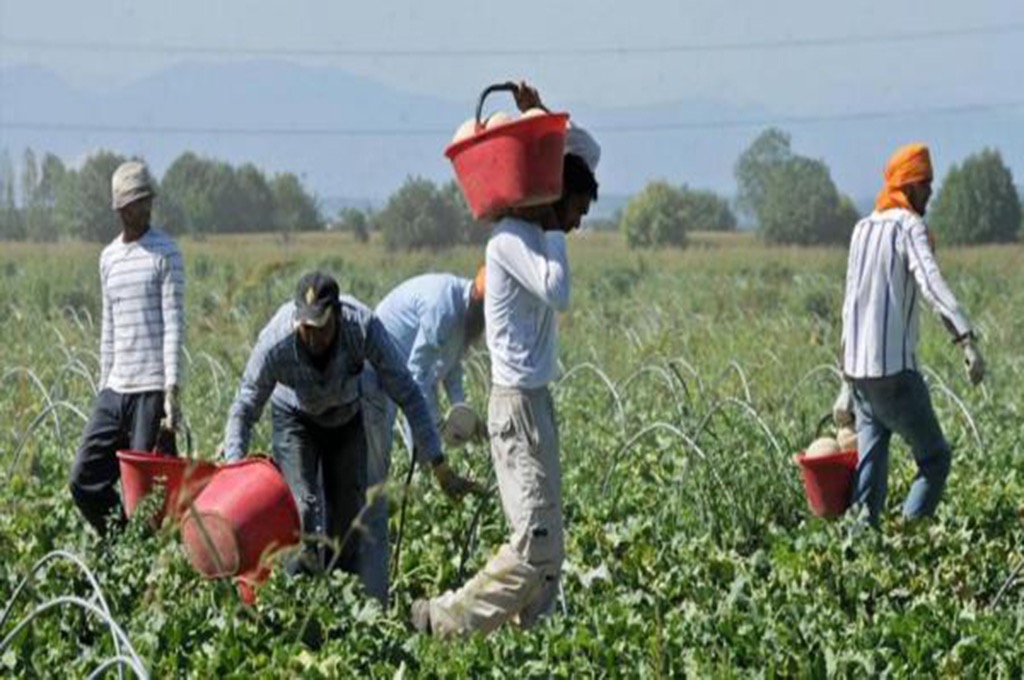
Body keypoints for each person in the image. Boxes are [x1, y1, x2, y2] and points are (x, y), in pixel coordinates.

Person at [413, 83, 600, 637]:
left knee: (548, 547)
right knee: (535, 545)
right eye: (578, 209)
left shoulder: (534, 234)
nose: (579, 223)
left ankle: (535, 646)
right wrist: (549, 222)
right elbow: (559, 290)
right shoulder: (511, 240)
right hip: (515, 405)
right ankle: (445, 620)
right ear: (552, 198)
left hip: (532, 402)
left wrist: (538, 116)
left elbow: (586, 153)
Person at [222, 272, 481, 581]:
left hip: (346, 417)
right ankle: (297, 596)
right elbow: (245, 406)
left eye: (322, 328)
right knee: (302, 508)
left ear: (338, 316)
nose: (314, 337)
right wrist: (233, 472)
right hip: (295, 420)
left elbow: (409, 392)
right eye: (306, 328)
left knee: (348, 520)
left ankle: (341, 599)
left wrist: (438, 464)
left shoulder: (362, 326)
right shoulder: (276, 341)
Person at [833, 143, 985, 527]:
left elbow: (850, 306)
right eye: (924, 184)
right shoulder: (908, 226)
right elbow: (931, 284)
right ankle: (910, 539)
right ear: (908, 187)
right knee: (935, 459)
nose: (930, 193)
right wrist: (965, 339)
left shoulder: (862, 229)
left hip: (863, 378)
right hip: (896, 376)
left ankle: (860, 553)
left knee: (870, 480)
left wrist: (845, 383)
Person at [70, 160, 184, 536]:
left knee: (146, 499)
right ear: (121, 208)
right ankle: (121, 546)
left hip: (151, 391)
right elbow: (109, 326)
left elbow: (173, 326)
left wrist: (171, 392)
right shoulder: (109, 258)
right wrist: (104, 385)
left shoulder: (166, 253)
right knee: (83, 478)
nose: (145, 208)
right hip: (116, 390)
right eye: (137, 202)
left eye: (148, 199)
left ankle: (145, 566)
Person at [361, 269, 489, 604]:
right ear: (478, 301)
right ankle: (369, 580)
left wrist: (462, 413)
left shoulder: (464, 319)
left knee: (416, 456)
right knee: (377, 467)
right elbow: (416, 378)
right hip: (377, 373)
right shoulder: (443, 307)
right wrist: (434, 429)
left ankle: (386, 551)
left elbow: (451, 371)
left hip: (402, 375)